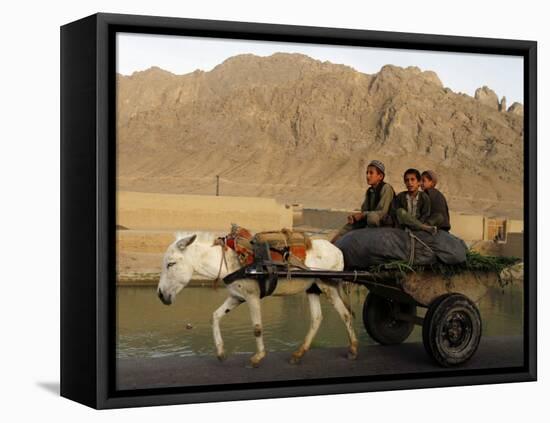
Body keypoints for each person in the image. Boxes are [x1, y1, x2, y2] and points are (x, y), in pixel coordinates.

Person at [330, 160, 395, 243]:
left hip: (384, 221)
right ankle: (331, 245)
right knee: (350, 225)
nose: (368, 176)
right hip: (370, 218)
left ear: (380, 176)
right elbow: (365, 210)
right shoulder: (370, 191)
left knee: (372, 218)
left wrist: (363, 215)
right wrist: (355, 217)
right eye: (367, 173)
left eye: (371, 173)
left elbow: (382, 212)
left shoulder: (386, 188)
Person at [390, 168, 436, 234]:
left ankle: (419, 226)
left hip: (418, 226)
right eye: (407, 180)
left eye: (412, 179)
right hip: (404, 227)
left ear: (419, 182)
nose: (409, 182)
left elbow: (425, 214)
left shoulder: (424, 197)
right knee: (400, 212)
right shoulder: (401, 196)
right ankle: (423, 227)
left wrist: (417, 223)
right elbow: (394, 212)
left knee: (438, 217)